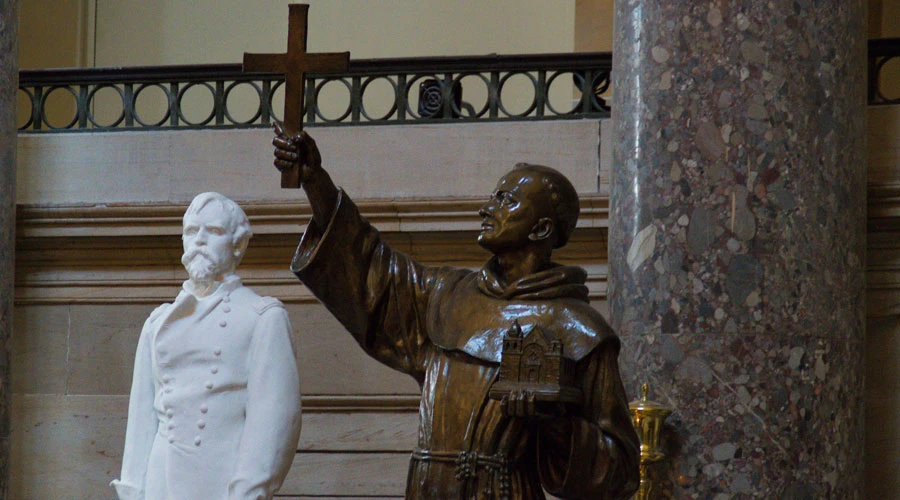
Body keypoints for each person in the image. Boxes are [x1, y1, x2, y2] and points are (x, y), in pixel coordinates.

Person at [274, 126, 640, 499]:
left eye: (505, 200)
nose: (487, 208)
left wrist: (558, 426)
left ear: (541, 228)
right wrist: (315, 183)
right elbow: (368, 267)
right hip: (429, 489)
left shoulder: (577, 329)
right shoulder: (446, 295)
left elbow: (621, 472)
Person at [112, 192, 302, 500]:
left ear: (237, 243)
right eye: (191, 231)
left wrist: (246, 492)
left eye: (212, 231)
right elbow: (141, 420)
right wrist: (134, 490)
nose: (199, 240)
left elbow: (274, 421)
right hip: (160, 483)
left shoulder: (262, 317)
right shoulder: (158, 322)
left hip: (220, 482)